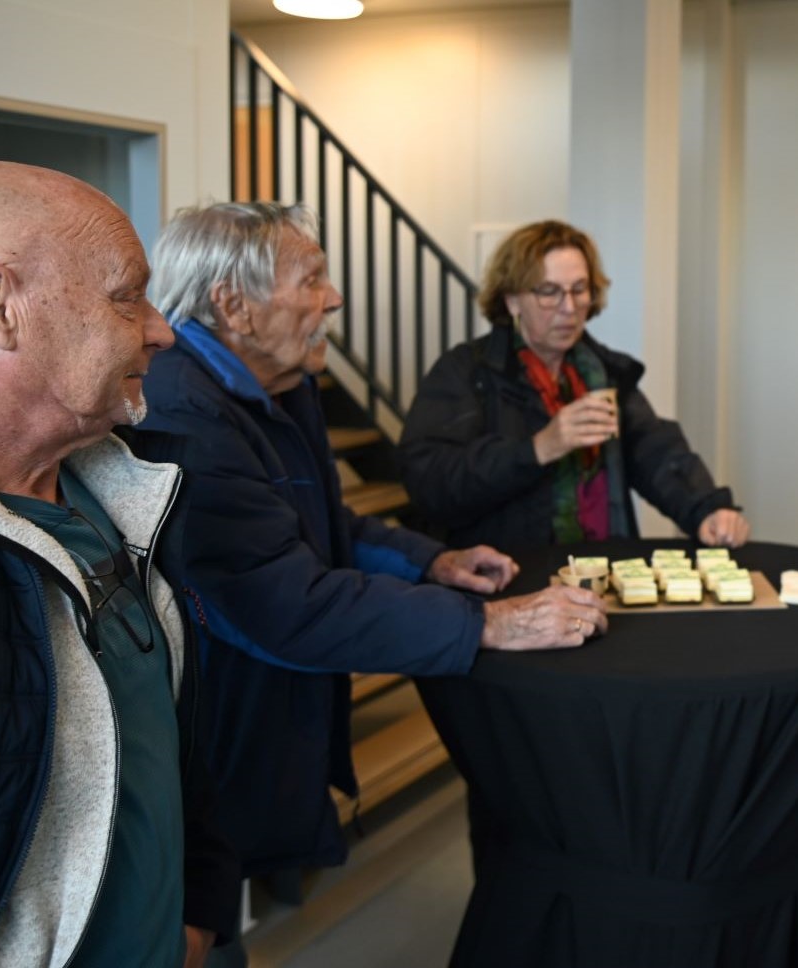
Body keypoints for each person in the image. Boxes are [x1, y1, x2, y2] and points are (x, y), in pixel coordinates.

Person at [136, 202, 607, 926]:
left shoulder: (282, 386)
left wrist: (434, 562)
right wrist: (484, 622)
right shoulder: (188, 414)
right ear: (235, 305)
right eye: (313, 278)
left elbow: (327, 524)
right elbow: (286, 602)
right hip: (215, 740)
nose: (335, 298)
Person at [0, 161, 237, 966]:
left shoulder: (126, 492)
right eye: (125, 294)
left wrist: (200, 909)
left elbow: (167, 733)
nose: (163, 330)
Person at [399, 220, 748, 555]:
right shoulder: (466, 371)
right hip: (509, 584)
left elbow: (654, 452)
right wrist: (536, 449)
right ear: (512, 300)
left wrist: (707, 509)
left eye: (579, 289)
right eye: (549, 292)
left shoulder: (603, 372)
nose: (569, 308)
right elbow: (431, 485)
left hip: (603, 574)